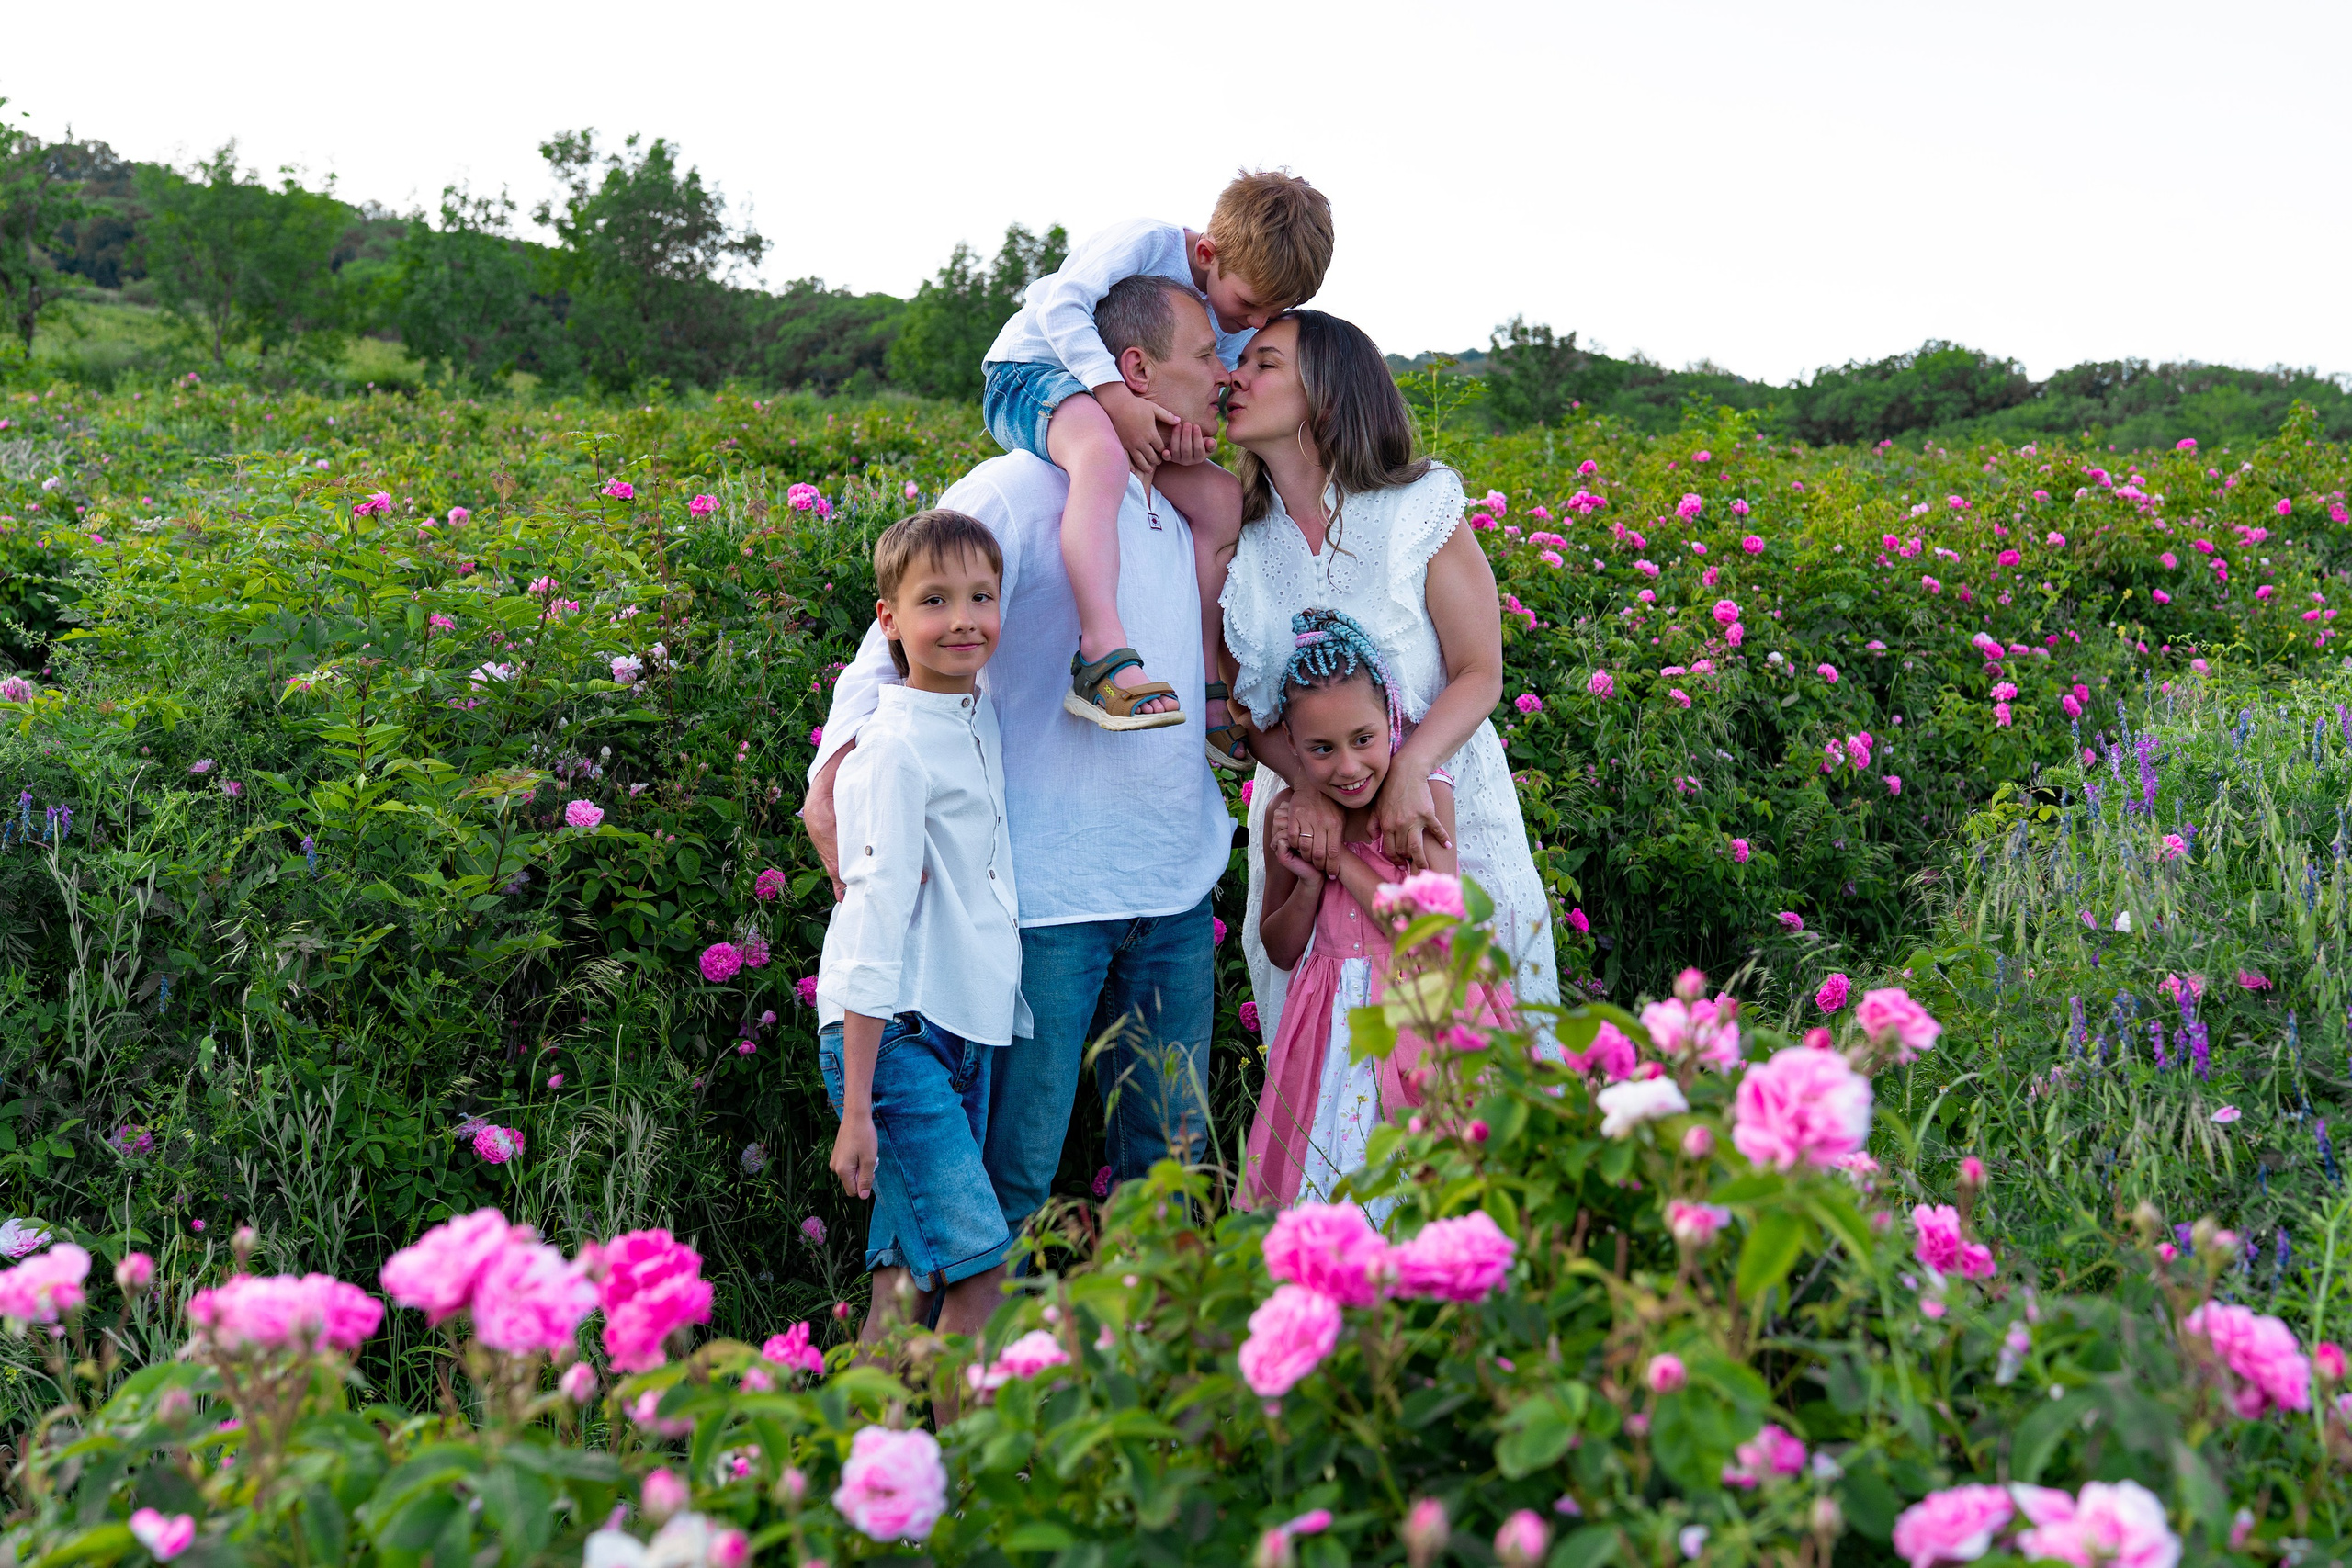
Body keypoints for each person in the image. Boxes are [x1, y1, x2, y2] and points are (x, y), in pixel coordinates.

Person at [807, 276, 1235, 1244]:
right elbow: (895, 629)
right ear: (1135, 368)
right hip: (1046, 900)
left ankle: (1136, 1374)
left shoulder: (1172, 500)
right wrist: (833, 765)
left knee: (1169, 1183)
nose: (1223, 373)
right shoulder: (1014, 486)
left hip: (1171, 892)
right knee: (1011, 1186)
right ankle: (966, 1383)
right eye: (1204, 355)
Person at [1219, 310, 1560, 1044]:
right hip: (1312, 820)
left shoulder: (1416, 505)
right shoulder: (1237, 536)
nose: (1234, 377)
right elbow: (1248, 715)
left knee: (1481, 1057)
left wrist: (1411, 766)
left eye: (1264, 364)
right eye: (1237, 362)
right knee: (1332, 1073)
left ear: (1328, 393)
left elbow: (1480, 671)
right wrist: (1313, 791)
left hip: (1440, 811)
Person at [980, 170, 1333, 766]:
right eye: (1249, 305)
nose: (1252, 323)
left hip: (1119, 403)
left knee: (1222, 499)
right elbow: (1063, 306)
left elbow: (1192, 394)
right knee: (1101, 450)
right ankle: (1099, 652)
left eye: (1271, 314)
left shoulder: (1232, 313)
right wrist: (1116, 397)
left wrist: (1189, 436)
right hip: (1032, 375)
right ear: (1206, 254)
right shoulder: (1147, 243)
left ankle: (1205, 680)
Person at [814, 509, 1028, 1350]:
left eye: (982, 596)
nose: (965, 619)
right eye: (935, 601)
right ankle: (973, 1480)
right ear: (889, 620)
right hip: (896, 1038)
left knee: (903, 1289)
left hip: (960, 1029)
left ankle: (855, 1470)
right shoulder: (894, 747)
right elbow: (870, 923)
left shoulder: (975, 719)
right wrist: (858, 1107)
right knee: (981, 1273)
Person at [1245, 608, 1514, 1211]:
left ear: (1392, 719)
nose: (1346, 766)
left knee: (1428, 1186)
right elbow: (1281, 949)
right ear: (1291, 745)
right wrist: (1310, 883)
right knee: (1333, 1182)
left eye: (1362, 739)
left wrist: (1342, 861)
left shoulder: (1423, 798)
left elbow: (1433, 930)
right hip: (1327, 1032)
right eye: (1320, 748)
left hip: (1422, 1018)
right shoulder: (1290, 814)